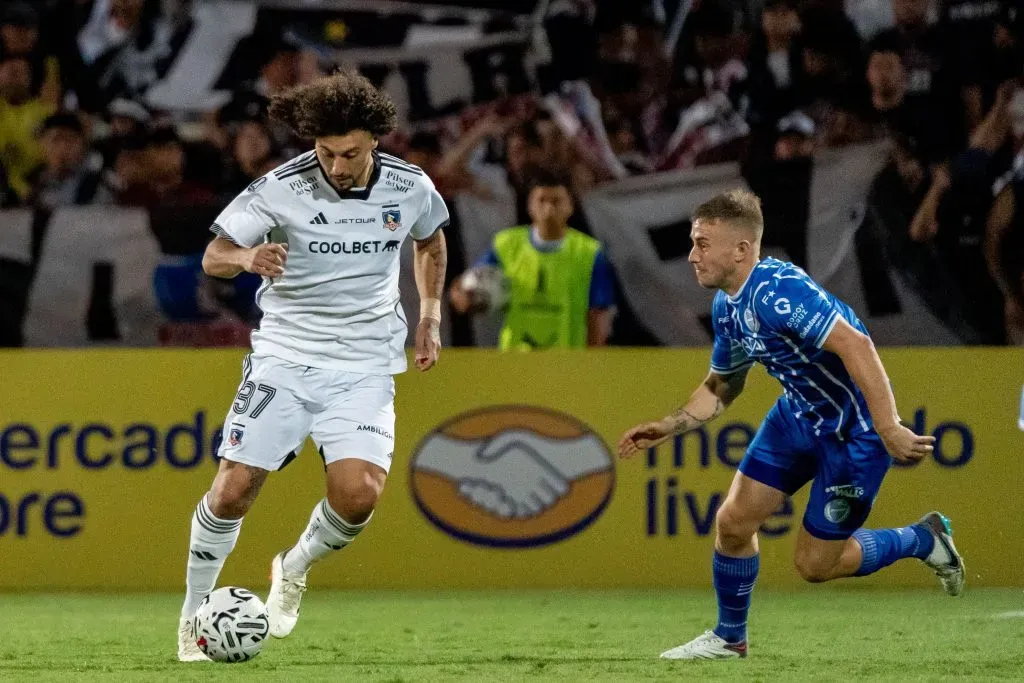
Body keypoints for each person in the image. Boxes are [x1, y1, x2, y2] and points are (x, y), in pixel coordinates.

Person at [617, 189, 964, 660]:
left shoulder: (778, 291)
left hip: (853, 433)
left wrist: (887, 428)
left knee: (815, 566)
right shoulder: (727, 307)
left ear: (740, 249)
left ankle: (922, 538)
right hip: (797, 417)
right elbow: (723, 385)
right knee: (733, 523)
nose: (692, 255)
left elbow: (857, 345)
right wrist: (668, 425)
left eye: (701, 243)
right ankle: (729, 638)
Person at [177, 70, 449, 661]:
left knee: (358, 496)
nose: (337, 165)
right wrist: (248, 254)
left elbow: (430, 240)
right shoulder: (279, 188)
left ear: (375, 139)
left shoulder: (410, 187)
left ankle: (294, 566)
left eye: (350, 153)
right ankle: (193, 619)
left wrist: (427, 317)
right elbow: (213, 256)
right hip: (286, 358)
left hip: (365, 364)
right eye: (325, 152)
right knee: (232, 491)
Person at [448, 166, 615, 349]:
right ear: (530, 206)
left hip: (566, 363)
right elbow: (468, 284)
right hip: (516, 361)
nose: (549, 208)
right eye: (542, 200)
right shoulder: (507, 245)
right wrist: (462, 296)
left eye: (556, 201)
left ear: (570, 206)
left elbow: (598, 314)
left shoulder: (589, 252)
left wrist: (591, 362)